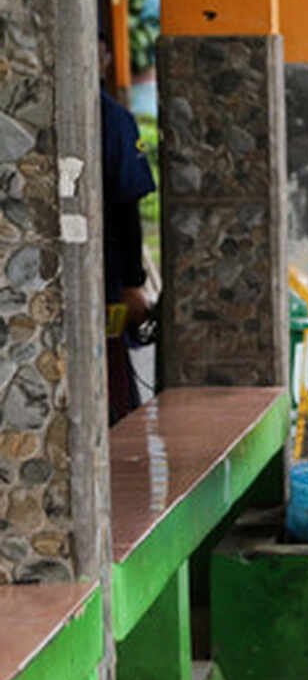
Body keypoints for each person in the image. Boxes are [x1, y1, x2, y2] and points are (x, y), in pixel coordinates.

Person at [99, 34, 155, 425]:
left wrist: (132, 282)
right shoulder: (113, 118)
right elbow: (127, 205)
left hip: (109, 281)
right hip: (108, 282)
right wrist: (134, 284)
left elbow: (126, 208)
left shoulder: (113, 119)